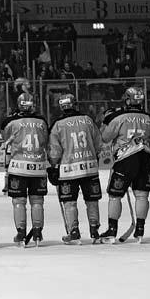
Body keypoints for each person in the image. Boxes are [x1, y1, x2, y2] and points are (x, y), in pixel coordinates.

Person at [100, 87, 150, 243]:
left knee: (115, 195)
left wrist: (106, 120)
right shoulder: (149, 118)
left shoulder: (119, 117)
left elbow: (105, 137)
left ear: (127, 100)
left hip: (125, 160)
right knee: (142, 195)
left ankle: (112, 230)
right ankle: (140, 229)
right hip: (144, 158)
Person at [47, 93, 103, 245]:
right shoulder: (87, 120)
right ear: (75, 104)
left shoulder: (58, 125)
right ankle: (94, 230)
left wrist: (53, 166)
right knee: (92, 200)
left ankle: (73, 231)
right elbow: (99, 144)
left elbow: (55, 151)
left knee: (69, 201)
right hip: (89, 168)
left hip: (68, 170)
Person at [1, 93, 49, 247]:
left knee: (18, 202)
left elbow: (4, 132)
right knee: (37, 201)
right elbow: (46, 140)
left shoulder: (12, 121)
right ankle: (37, 231)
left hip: (18, 167)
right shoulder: (42, 121)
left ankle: (21, 232)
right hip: (39, 167)